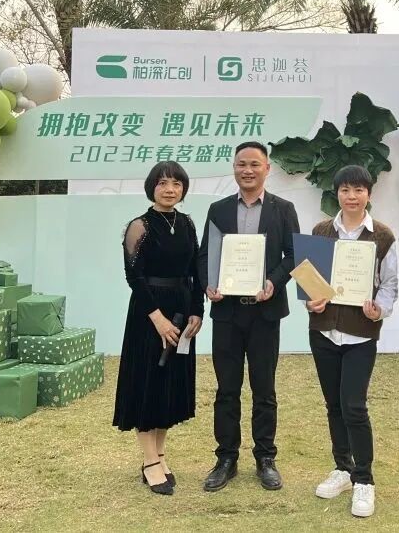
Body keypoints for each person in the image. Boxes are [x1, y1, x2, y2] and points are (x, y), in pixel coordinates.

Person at [198, 141, 300, 492]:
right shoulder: (219, 209)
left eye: (255, 164)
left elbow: (293, 255)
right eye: (242, 164)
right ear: (234, 168)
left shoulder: (283, 209)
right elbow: (206, 255)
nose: (248, 170)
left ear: (267, 169)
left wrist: (273, 281)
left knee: (264, 389)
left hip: (265, 313)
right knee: (227, 389)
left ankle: (265, 458)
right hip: (227, 313)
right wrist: (209, 283)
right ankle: (226, 458)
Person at [306, 165, 399, 519]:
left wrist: (379, 310)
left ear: (369, 194)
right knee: (333, 405)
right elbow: (311, 279)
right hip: (324, 331)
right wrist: (311, 301)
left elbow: (389, 284)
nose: (352, 196)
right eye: (345, 190)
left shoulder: (383, 236)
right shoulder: (321, 231)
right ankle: (342, 468)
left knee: (354, 407)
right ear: (337, 194)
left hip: (360, 334)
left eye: (359, 190)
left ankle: (364, 479)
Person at [113, 161, 204, 496]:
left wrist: (197, 311)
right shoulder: (139, 226)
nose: (170, 189)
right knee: (148, 383)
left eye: (177, 183)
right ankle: (149, 461)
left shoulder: (187, 223)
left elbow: (196, 271)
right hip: (148, 314)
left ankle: (161, 455)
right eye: (163, 183)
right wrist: (158, 318)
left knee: (170, 385)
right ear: (152, 187)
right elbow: (134, 277)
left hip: (182, 311)